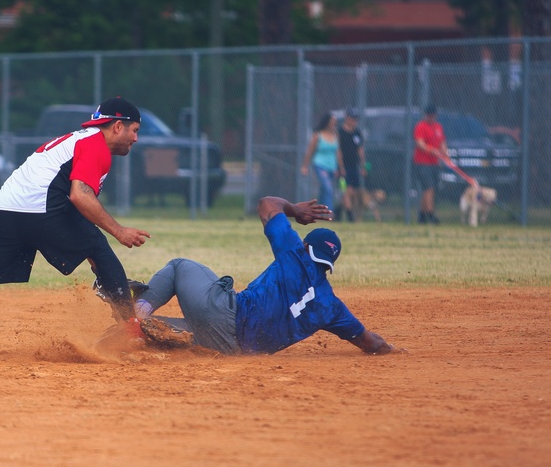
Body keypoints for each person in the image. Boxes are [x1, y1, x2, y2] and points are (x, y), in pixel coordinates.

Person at [0, 96, 152, 359]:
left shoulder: (73, 139)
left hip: (4, 211)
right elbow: (80, 196)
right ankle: (131, 331)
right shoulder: (95, 145)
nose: (135, 139)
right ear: (117, 126)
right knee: (100, 246)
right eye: (134, 130)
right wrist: (118, 231)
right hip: (42, 210)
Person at [128, 195, 397, 356]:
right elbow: (368, 341)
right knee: (152, 332)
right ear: (329, 265)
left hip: (225, 314)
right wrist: (392, 351)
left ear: (307, 247)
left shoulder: (296, 255)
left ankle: (136, 311)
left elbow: (266, 203)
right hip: (230, 349)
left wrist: (295, 210)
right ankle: (134, 330)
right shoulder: (331, 306)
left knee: (179, 266)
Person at [412, 104, 448, 224]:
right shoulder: (420, 126)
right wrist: (431, 149)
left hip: (434, 163)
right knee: (429, 188)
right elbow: (420, 143)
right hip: (422, 163)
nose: (431, 118)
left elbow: (442, 142)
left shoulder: (438, 127)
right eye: (429, 116)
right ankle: (431, 215)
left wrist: (445, 154)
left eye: (433, 116)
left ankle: (422, 216)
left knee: (428, 190)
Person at [301, 113, 341, 213]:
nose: (334, 124)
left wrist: (340, 167)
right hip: (320, 164)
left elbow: (338, 152)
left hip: (332, 166)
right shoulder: (317, 135)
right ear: (327, 122)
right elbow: (310, 151)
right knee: (328, 188)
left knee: (324, 190)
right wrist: (304, 166)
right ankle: (329, 214)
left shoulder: (335, 135)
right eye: (332, 122)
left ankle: (318, 211)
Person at [337, 108, 367, 222]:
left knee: (352, 191)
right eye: (352, 118)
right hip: (343, 167)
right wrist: (341, 167)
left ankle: (338, 210)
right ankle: (350, 217)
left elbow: (360, 150)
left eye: (356, 119)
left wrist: (363, 166)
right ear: (346, 118)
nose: (354, 121)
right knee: (346, 190)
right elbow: (338, 151)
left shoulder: (357, 133)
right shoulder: (340, 132)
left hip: (354, 166)